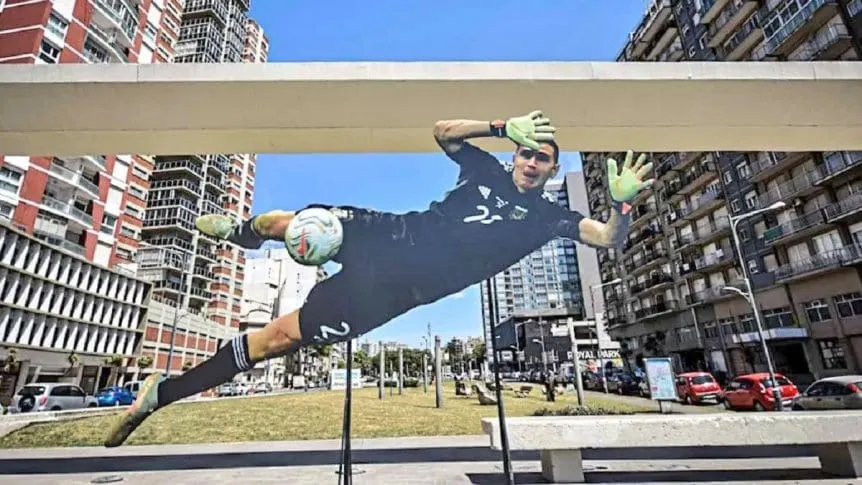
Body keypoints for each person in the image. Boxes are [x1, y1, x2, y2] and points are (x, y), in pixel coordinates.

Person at [104, 110, 654, 447]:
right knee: (304, 225)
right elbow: (442, 132)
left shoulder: (549, 218)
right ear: (515, 155)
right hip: (392, 235)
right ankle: (245, 231)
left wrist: (623, 208)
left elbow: (606, 239)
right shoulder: (487, 166)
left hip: (395, 293)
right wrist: (497, 126)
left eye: (544, 161)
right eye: (527, 153)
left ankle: (162, 394)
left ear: (552, 172)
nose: (532, 163)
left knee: (278, 339)